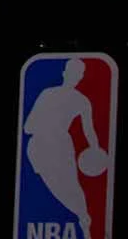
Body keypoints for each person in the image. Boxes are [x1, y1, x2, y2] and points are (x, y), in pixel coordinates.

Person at [23, 58, 101, 239]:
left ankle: (84, 221)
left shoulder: (79, 101)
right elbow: (27, 127)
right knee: (60, 188)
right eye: (75, 73)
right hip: (41, 147)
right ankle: (82, 218)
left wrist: (96, 151)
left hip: (58, 146)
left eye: (78, 74)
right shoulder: (50, 94)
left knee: (69, 187)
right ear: (66, 73)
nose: (76, 77)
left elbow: (89, 132)